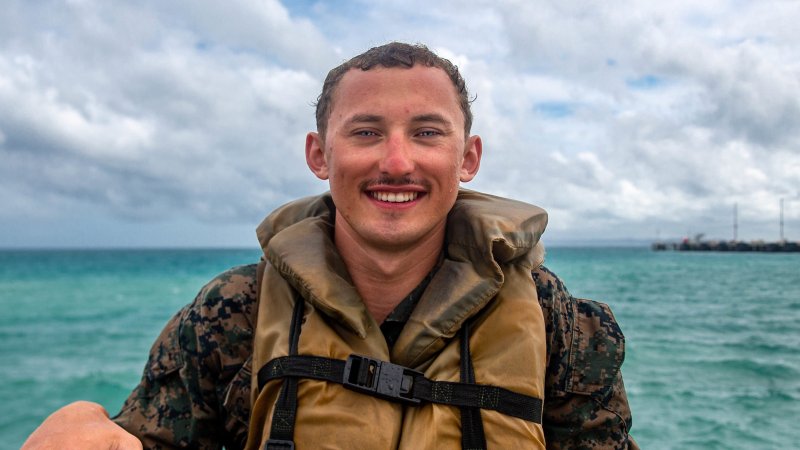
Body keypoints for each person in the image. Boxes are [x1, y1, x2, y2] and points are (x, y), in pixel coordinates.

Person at [23, 42, 637, 449]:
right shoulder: (230, 313)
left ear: (467, 158)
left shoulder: (559, 323)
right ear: (321, 155)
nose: (396, 162)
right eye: (365, 132)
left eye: (427, 133)